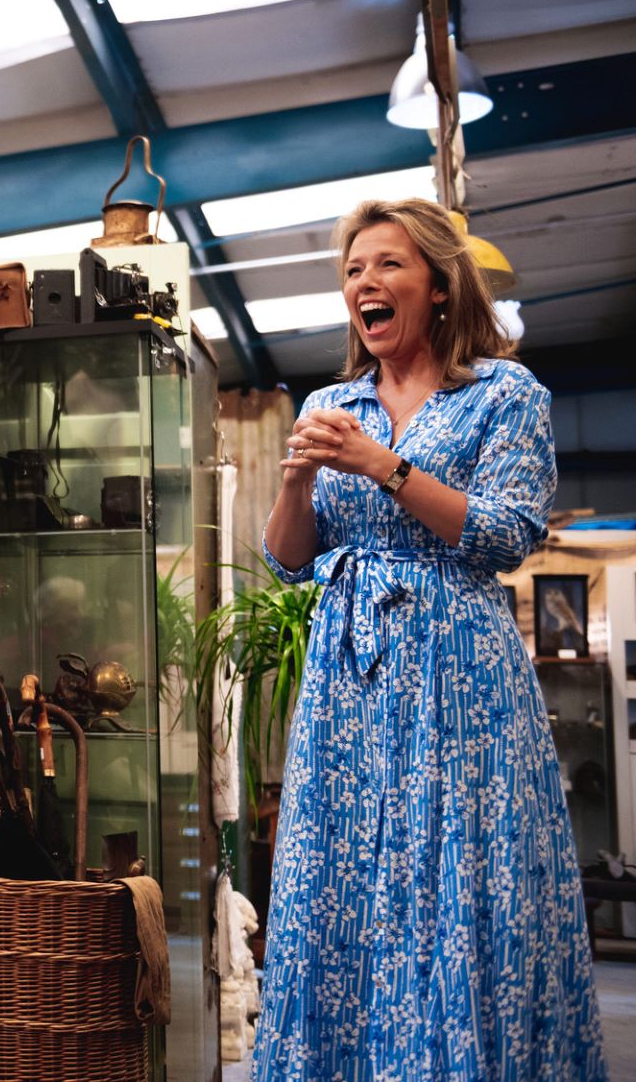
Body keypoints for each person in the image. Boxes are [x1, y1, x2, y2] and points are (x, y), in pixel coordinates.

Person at [253, 198, 604, 1079]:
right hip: (348, 684)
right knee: (343, 882)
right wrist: (297, 480)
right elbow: (291, 562)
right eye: (352, 271)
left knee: (456, 883)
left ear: (440, 287)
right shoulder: (332, 402)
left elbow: (507, 535)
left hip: (462, 681)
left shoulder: (504, 393)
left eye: (386, 266)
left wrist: (386, 466)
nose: (363, 284)